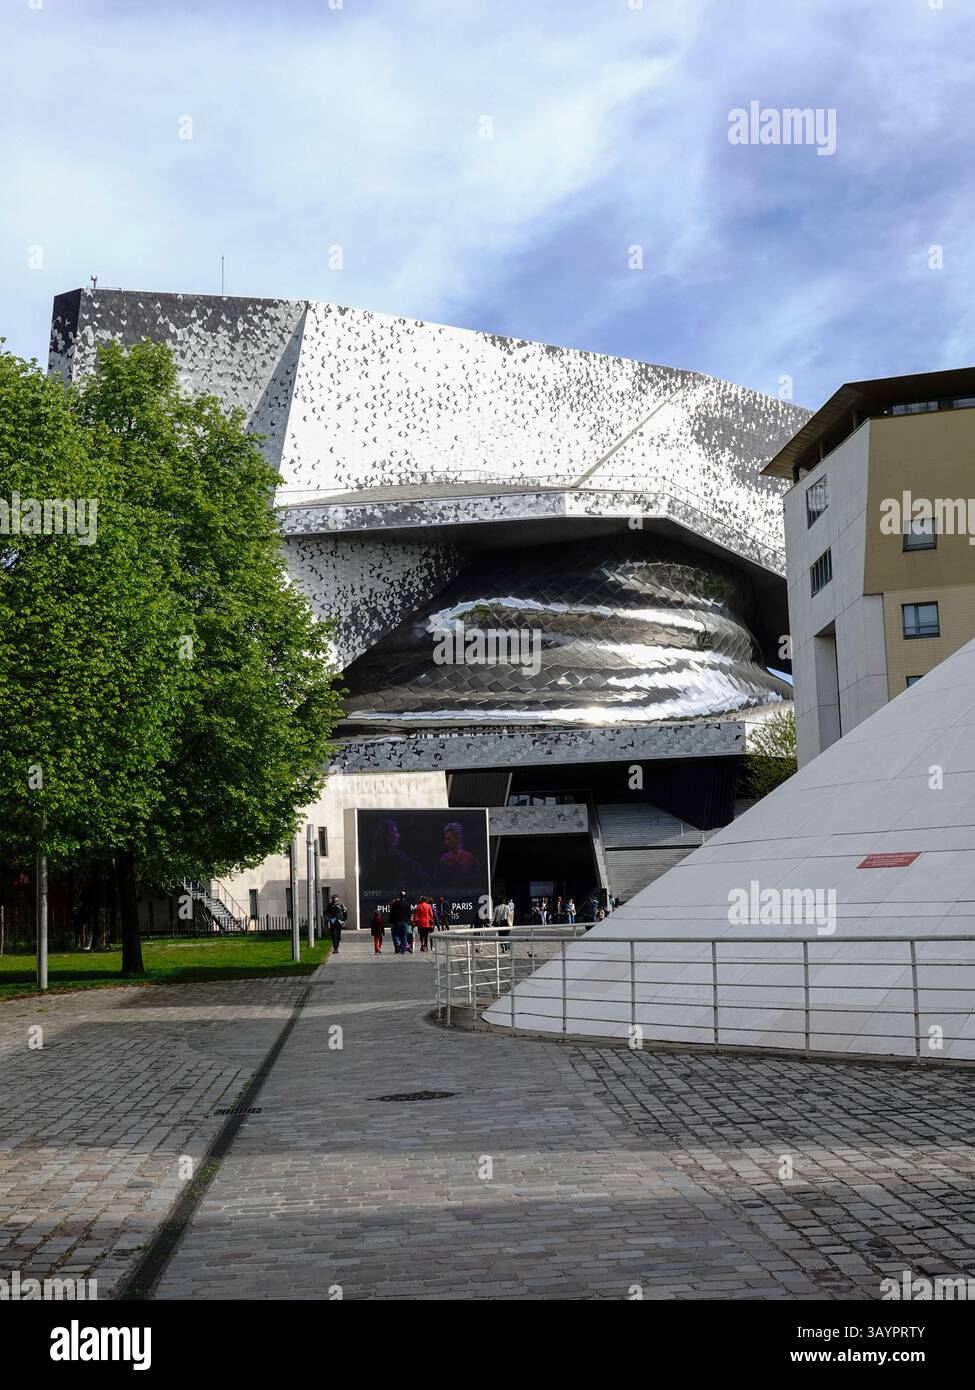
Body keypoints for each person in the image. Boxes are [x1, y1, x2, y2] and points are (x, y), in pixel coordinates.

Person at [388, 889, 410, 955]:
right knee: (404, 935)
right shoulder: (407, 904)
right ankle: (403, 949)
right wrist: (408, 920)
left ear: (399, 896)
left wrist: (390, 921)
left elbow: (391, 913)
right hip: (404, 922)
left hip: (396, 922)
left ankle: (397, 944)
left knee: (395, 934)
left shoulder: (395, 903)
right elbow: (409, 913)